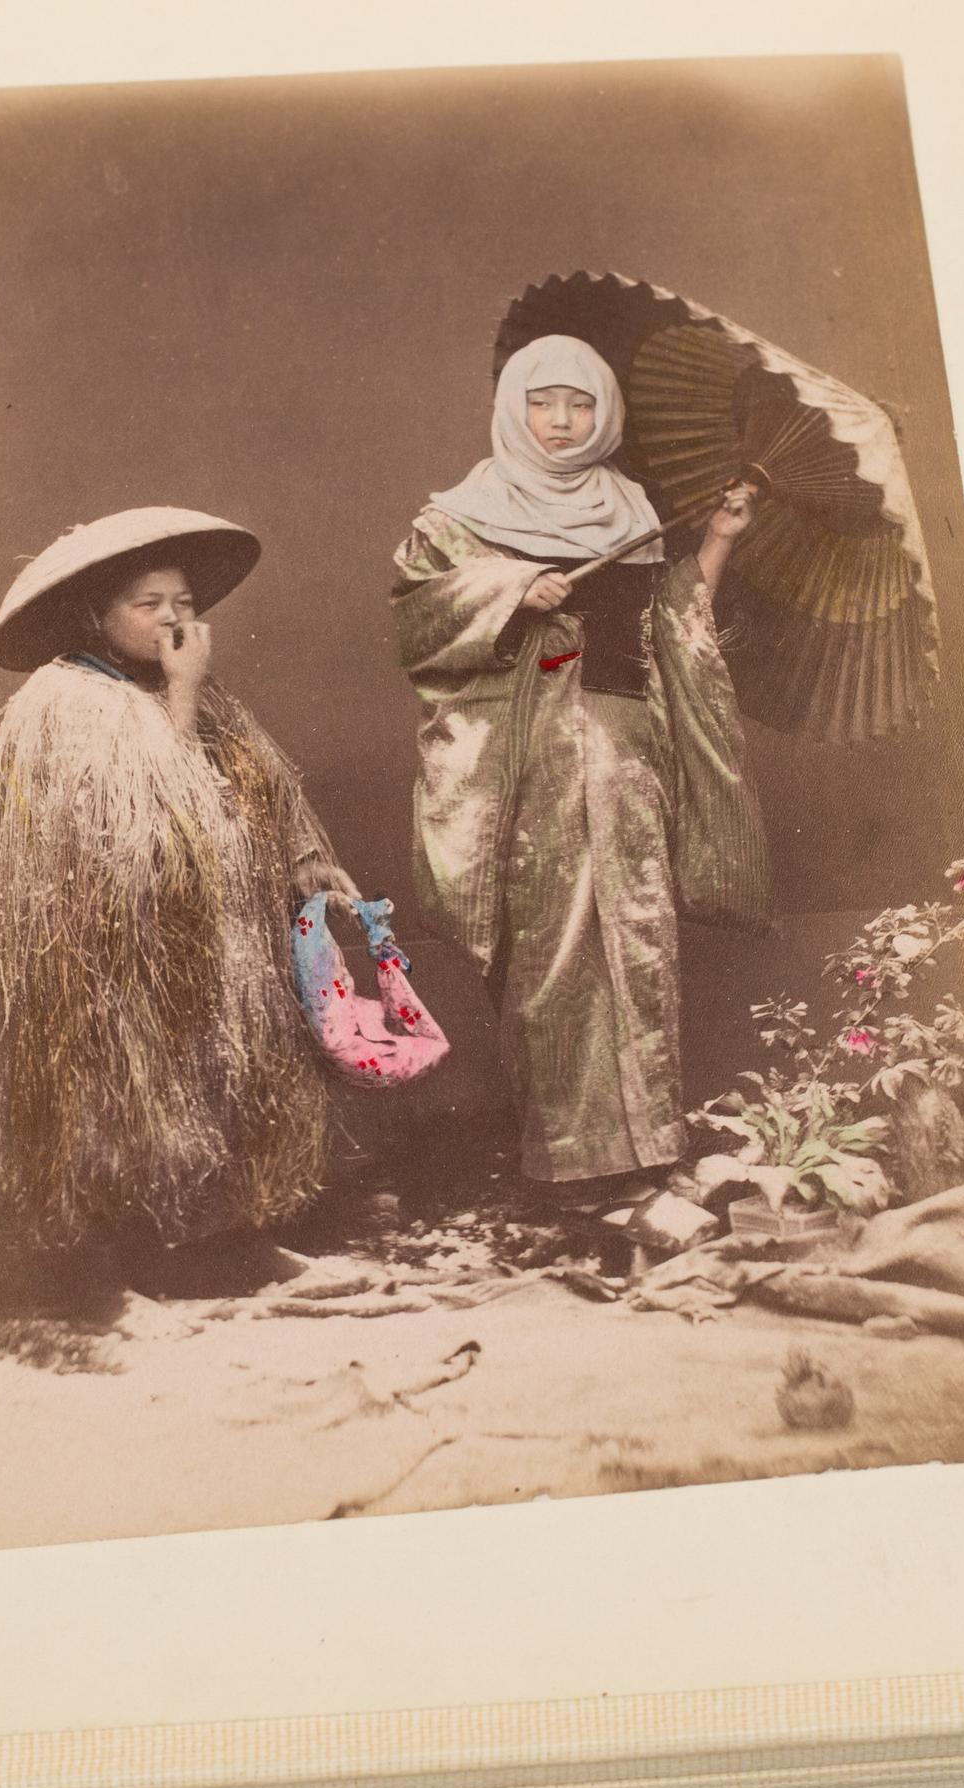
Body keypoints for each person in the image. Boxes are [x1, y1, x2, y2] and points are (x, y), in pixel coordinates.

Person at [392, 334, 772, 1200]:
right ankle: (568, 1162)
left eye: (580, 404)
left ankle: (648, 1150)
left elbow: (671, 622)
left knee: (638, 938)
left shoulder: (633, 510)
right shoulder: (457, 517)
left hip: (628, 754)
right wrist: (508, 591)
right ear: (514, 409)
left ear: (604, 414)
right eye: (542, 403)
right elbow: (417, 625)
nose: (561, 421)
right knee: (553, 947)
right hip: (532, 760)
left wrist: (717, 540)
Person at [0, 506, 355, 1254]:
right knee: (142, 1089)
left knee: (228, 1070)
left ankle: (224, 1231)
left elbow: (259, 781)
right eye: (147, 604)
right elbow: (156, 815)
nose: (172, 619)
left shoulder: (190, 689)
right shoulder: (65, 702)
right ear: (94, 616)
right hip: (124, 953)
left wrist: (304, 858)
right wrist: (183, 693)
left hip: (216, 934)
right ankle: (148, 1242)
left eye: (184, 603)